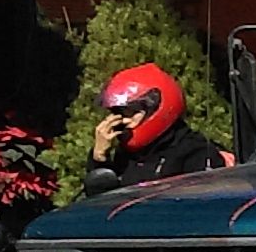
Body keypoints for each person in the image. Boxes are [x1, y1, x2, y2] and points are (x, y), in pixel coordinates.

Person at [85, 63, 220, 193]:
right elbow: (104, 203)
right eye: (116, 113)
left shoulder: (196, 153)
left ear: (156, 109)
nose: (122, 121)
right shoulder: (128, 154)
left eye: (129, 113)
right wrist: (99, 159)